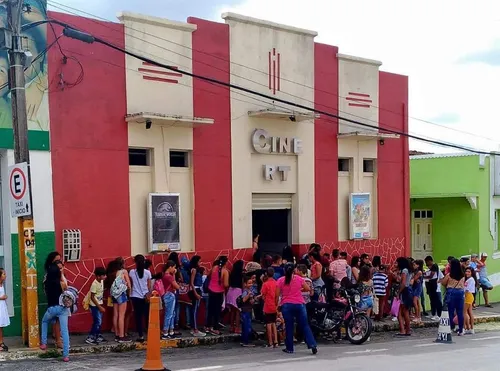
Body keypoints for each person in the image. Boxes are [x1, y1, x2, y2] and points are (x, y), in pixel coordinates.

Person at [277, 263, 317, 355]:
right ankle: (312, 344)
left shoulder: (280, 280)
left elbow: (277, 294)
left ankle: (289, 348)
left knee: (289, 326)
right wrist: (298, 290)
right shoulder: (299, 279)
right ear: (294, 270)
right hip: (300, 304)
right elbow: (307, 288)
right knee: (305, 325)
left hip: (286, 305)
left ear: (284, 270)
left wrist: (277, 305)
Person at [40, 263, 70, 362]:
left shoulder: (46, 284)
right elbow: (66, 288)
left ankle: (44, 343)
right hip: (62, 309)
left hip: (51, 309)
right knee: (64, 331)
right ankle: (65, 355)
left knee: (44, 321)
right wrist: (61, 274)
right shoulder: (60, 283)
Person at [129, 254, 152, 343]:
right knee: (147, 316)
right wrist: (149, 294)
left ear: (135, 262)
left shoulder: (131, 272)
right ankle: (149, 334)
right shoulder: (148, 272)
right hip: (145, 297)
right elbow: (149, 286)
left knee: (138, 317)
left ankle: (141, 336)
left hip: (135, 296)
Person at [43, 252, 64, 349]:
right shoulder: (51, 274)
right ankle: (58, 340)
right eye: (56, 261)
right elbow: (64, 285)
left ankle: (56, 337)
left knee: (55, 320)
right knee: (56, 320)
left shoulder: (54, 273)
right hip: (55, 299)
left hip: (57, 298)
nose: (59, 263)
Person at [440, 258, 465, 336]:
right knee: (460, 312)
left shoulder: (449, 275)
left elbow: (443, 283)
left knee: (450, 311)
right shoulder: (462, 275)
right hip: (460, 293)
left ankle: (450, 328)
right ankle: (461, 329)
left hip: (451, 292)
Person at [109, 258, 131, 343]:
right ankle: (122, 336)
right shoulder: (124, 271)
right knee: (122, 315)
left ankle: (117, 335)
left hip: (114, 295)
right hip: (121, 294)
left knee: (116, 315)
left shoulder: (113, 273)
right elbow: (129, 285)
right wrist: (129, 293)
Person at [207, 256, 229, 335]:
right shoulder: (225, 271)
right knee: (217, 311)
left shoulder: (214, 268)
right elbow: (226, 284)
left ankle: (208, 326)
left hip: (211, 290)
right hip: (219, 292)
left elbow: (208, 275)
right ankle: (215, 328)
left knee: (210, 309)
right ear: (225, 262)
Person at [85, 267, 107, 344]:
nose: (105, 277)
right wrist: (99, 306)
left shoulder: (101, 281)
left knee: (99, 321)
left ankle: (98, 336)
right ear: (98, 276)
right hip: (94, 305)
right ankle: (90, 337)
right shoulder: (94, 284)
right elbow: (92, 297)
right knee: (97, 321)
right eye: (103, 275)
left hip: (99, 303)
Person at [162, 261, 180, 339]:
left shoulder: (166, 275)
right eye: (174, 267)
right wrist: (174, 275)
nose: (174, 269)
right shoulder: (168, 276)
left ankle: (170, 331)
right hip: (169, 295)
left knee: (172, 313)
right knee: (169, 314)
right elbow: (176, 286)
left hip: (168, 295)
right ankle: (166, 332)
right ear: (170, 267)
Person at [261, 267, 279, 348]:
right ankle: (276, 341)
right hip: (274, 305)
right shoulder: (276, 283)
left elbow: (263, 295)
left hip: (267, 305)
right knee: (274, 324)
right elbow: (277, 296)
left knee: (268, 324)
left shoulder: (265, 284)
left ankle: (270, 342)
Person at [188, 255, 206, 337]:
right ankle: (195, 329)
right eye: (199, 261)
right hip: (196, 289)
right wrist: (196, 293)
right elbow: (191, 282)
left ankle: (193, 328)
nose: (200, 263)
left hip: (197, 289)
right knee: (194, 310)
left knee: (194, 309)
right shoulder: (194, 270)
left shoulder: (196, 270)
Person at [395, 257, 413, 337]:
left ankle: (403, 330)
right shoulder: (408, 270)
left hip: (404, 291)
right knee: (406, 311)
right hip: (408, 291)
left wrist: (398, 292)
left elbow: (403, 283)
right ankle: (407, 329)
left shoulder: (404, 271)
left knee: (401, 311)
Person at [238, 277, 256, 347]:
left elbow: (252, 302)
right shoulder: (246, 292)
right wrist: (249, 295)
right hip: (245, 311)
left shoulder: (250, 291)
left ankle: (244, 340)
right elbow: (243, 300)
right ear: (245, 284)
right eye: (249, 283)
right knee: (247, 326)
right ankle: (246, 341)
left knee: (245, 326)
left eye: (251, 283)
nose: (251, 284)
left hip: (248, 310)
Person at [226, 260, 244, 334]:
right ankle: (237, 328)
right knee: (238, 311)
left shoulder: (231, 273)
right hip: (237, 292)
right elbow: (242, 285)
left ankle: (231, 327)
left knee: (232, 311)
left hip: (230, 291)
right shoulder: (241, 275)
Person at [424, 256, 442, 320]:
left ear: (430, 261)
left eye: (427, 262)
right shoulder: (430, 268)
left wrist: (424, 277)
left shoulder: (434, 266)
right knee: (432, 300)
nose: (427, 264)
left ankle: (439, 314)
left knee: (436, 300)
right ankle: (433, 313)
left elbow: (431, 275)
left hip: (434, 285)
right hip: (430, 285)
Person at [464, 267, 476, 335]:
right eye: (466, 271)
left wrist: (464, 296)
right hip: (469, 296)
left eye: (469, 272)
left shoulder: (471, 280)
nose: (467, 273)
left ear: (471, 273)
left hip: (468, 296)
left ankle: (467, 328)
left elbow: (467, 290)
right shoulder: (469, 279)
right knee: (469, 312)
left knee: (464, 312)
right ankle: (471, 328)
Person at [0, 269, 9, 351]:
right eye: (3, 274)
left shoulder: (2, 285)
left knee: (1, 326)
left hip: (2, 307)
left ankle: (1, 342)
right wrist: (2, 297)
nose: (5, 275)